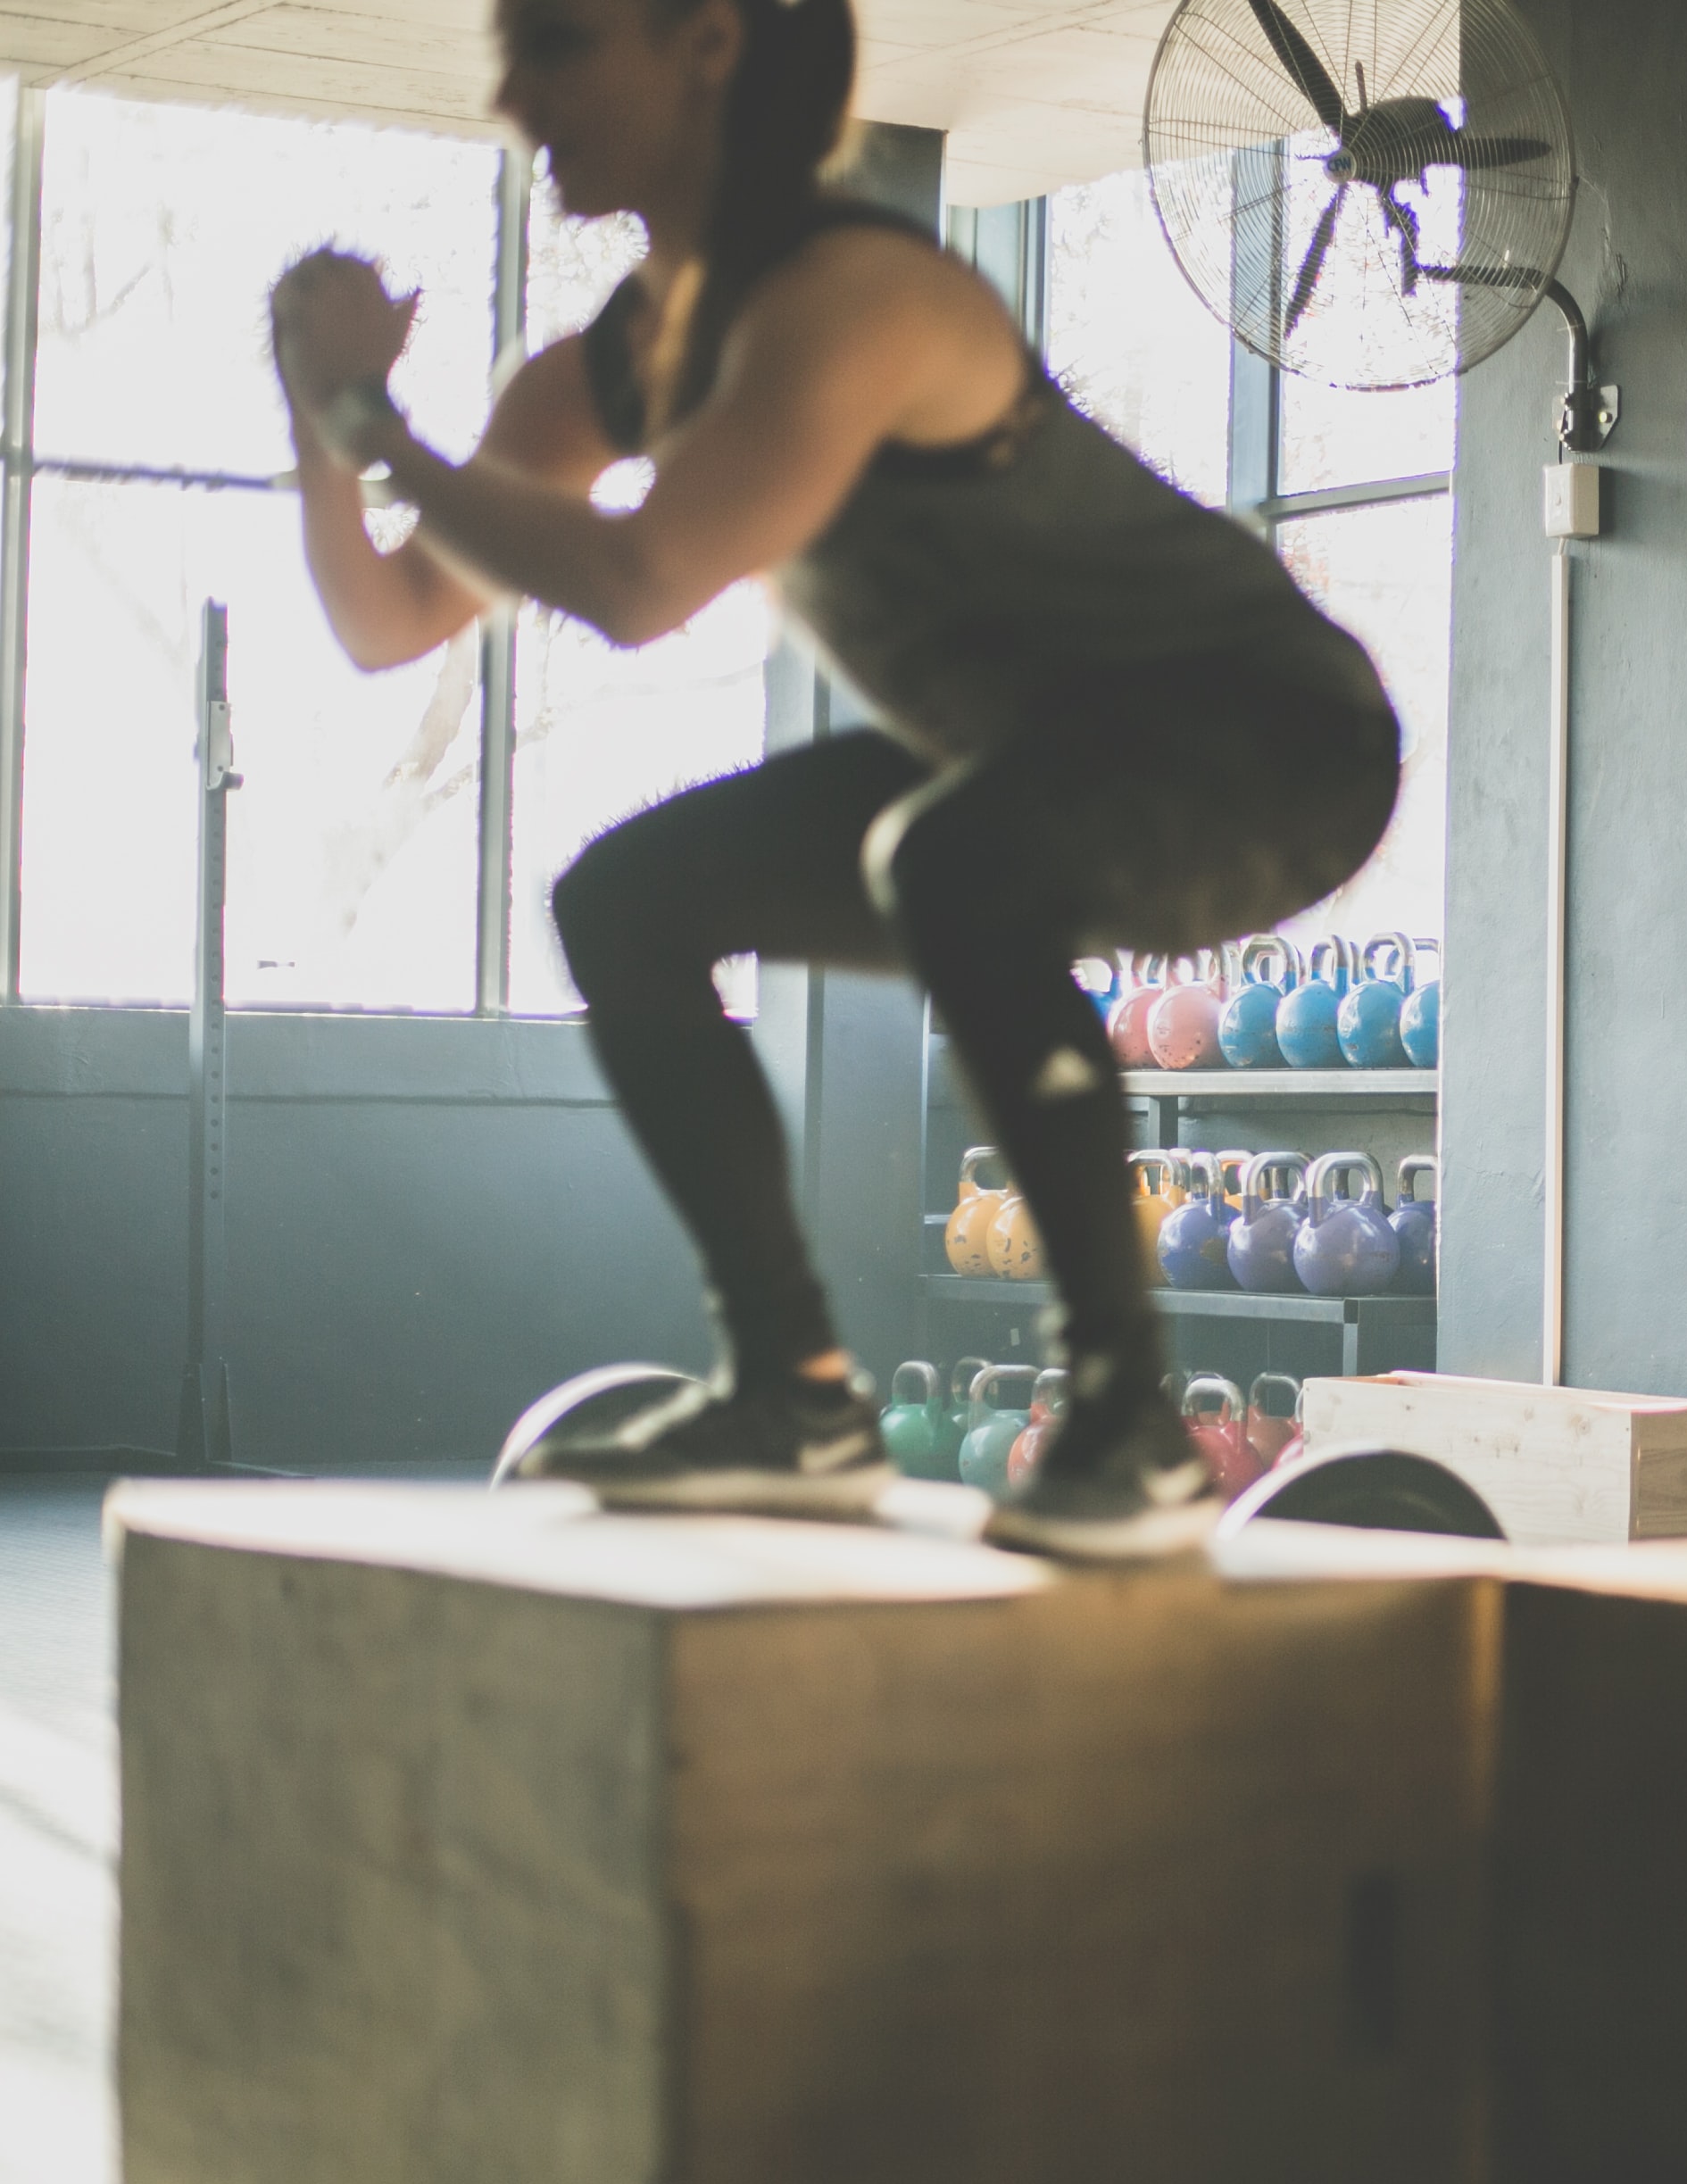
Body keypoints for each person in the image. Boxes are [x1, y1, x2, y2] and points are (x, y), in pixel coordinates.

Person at [268, 0, 1399, 1557]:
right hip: (1023, 757)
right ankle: (795, 1394)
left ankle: (1131, 1423)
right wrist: (324, 428)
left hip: (1269, 735)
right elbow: (391, 620)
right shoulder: (603, 373)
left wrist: (369, 416)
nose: (515, 93)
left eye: (562, 42)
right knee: (627, 901)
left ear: (708, 41)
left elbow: (640, 577)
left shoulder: (858, 296)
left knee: (949, 863)